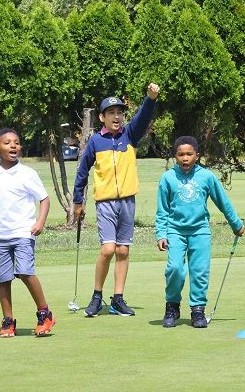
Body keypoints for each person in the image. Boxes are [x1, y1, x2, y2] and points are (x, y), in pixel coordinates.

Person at [73, 83, 160, 317]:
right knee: (108, 249)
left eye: (120, 112)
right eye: (111, 113)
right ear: (102, 117)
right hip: (106, 202)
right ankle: (96, 296)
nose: (117, 116)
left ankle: (118, 299)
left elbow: (142, 117)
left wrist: (150, 98)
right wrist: (78, 202)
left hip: (127, 202)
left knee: (122, 250)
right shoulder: (95, 141)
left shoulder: (129, 135)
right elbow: (82, 172)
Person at [155, 136, 245, 328]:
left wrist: (235, 223)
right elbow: (162, 210)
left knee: (200, 271)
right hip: (175, 231)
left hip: (200, 231)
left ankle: (198, 310)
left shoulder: (206, 176)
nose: (185, 158)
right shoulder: (168, 178)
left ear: (197, 155)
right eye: (180, 155)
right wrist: (161, 234)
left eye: (189, 154)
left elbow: (223, 202)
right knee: (175, 269)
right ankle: (172, 305)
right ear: (175, 157)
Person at [0, 128, 55, 337]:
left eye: (17, 143)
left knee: (24, 272)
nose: (13, 146)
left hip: (23, 232)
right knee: (3, 278)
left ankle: (44, 313)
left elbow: (44, 199)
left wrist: (40, 221)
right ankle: (8, 320)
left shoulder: (28, 174)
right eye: (7, 143)